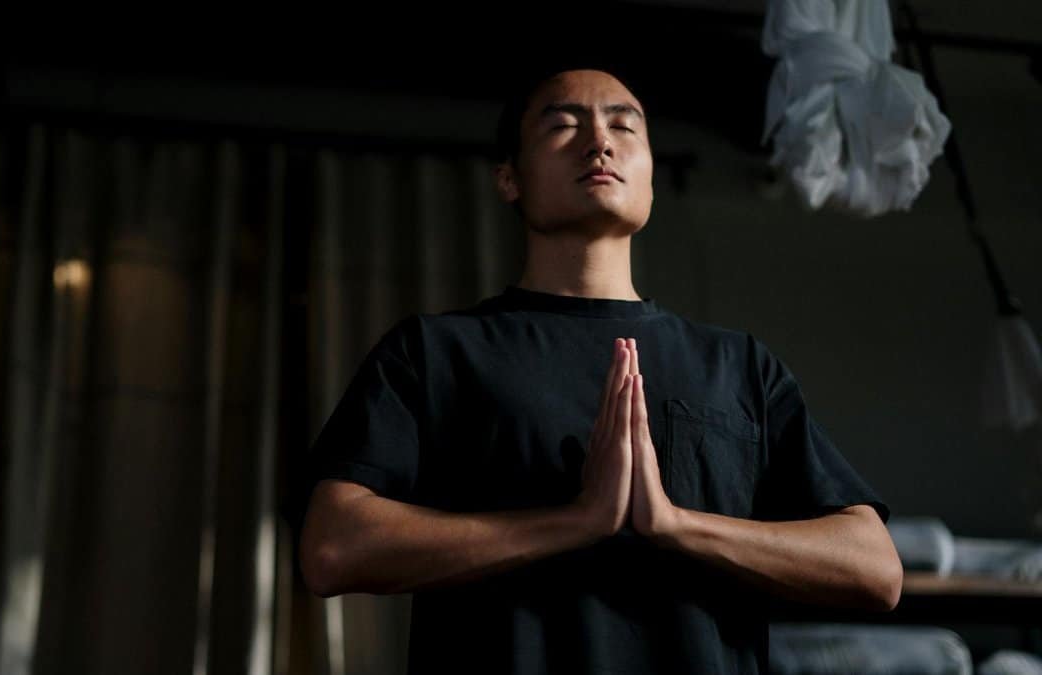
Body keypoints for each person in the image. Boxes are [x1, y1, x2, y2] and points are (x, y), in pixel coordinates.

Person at [297, 65, 903, 674]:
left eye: (624, 126)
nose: (600, 142)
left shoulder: (739, 365)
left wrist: (674, 525)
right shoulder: (434, 353)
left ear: (651, 179)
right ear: (509, 178)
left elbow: (874, 568)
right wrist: (575, 521)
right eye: (563, 125)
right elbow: (333, 548)